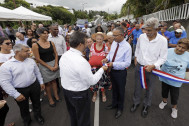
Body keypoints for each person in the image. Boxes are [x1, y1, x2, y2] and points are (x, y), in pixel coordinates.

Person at [59, 31, 108, 126]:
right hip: (79, 93)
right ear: (80, 44)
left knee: (73, 115)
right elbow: (92, 81)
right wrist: (102, 69)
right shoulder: (81, 61)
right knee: (83, 118)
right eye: (86, 42)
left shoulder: (65, 55)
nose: (87, 44)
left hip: (66, 91)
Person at [130, 17, 168, 118]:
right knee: (137, 86)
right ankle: (136, 102)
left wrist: (154, 65)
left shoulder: (163, 41)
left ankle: (146, 105)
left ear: (157, 29)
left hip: (152, 69)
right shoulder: (142, 37)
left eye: (149, 30)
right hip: (139, 67)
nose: (146, 32)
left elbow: (163, 58)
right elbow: (137, 48)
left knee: (150, 89)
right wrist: (136, 57)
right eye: (146, 29)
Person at [0, 44, 45, 126]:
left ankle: (38, 116)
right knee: (23, 107)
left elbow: (37, 72)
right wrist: (15, 94)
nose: (29, 52)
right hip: (19, 90)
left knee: (37, 103)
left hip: (34, 85)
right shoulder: (6, 66)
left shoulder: (31, 61)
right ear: (17, 52)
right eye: (26, 51)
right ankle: (27, 120)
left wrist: (41, 82)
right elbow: (5, 82)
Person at [102, 27, 132, 119]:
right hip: (112, 70)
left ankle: (120, 108)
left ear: (121, 35)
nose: (113, 37)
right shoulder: (115, 43)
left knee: (120, 91)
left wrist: (113, 64)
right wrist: (107, 58)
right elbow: (111, 53)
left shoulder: (127, 47)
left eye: (115, 35)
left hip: (120, 72)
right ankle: (114, 104)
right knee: (114, 88)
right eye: (113, 35)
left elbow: (127, 63)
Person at [158, 38, 189, 119]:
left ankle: (174, 108)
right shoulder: (168, 51)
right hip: (165, 77)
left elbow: (188, 68)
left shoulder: (188, 56)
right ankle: (164, 101)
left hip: (176, 80)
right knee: (164, 91)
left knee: (174, 95)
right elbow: (161, 61)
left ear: (187, 49)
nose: (180, 49)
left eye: (183, 48)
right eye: (179, 46)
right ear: (177, 44)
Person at [32, 27, 60, 107]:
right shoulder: (35, 45)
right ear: (39, 34)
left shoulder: (51, 42)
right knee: (47, 84)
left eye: (47, 33)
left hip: (53, 63)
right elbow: (38, 59)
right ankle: (50, 99)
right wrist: (49, 67)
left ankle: (56, 96)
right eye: (44, 33)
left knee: (54, 81)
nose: (47, 35)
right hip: (44, 66)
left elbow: (56, 54)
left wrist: (56, 64)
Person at [0, 37, 15, 126]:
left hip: (19, 78)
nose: (10, 44)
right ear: (0, 45)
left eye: (10, 43)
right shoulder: (0, 56)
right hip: (11, 81)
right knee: (4, 108)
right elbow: (4, 72)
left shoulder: (13, 51)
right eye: (7, 43)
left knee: (4, 108)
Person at [90, 32, 109, 103]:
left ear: (103, 39)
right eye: (97, 39)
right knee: (94, 81)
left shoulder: (105, 46)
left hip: (102, 66)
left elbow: (107, 57)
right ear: (95, 39)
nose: (99, 40)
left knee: (102, 80)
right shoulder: (92, 45)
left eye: (100, 39)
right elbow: (91, 54)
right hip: (94, 67)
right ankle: (95, 94)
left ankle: (103, 93)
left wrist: (104, 59)